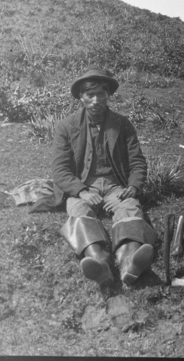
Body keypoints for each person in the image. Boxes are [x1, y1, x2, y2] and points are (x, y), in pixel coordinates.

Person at [32, 67, 157, 287]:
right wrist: (81, 191)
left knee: (129, 208)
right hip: (83, 186)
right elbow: (60, 169)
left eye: (101, 94)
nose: (96, 100)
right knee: (79, 211)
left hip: (115, 186)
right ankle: (99, 262)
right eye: (90, 95)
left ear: (108, 95)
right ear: (81, 97)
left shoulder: (123, 124)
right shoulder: (66, 127)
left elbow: (137, 161)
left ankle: (128, 260)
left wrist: (134, 186)